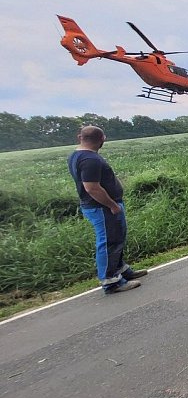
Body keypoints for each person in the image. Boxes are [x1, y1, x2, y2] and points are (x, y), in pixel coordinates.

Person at [68, 126, 146, 294]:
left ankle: (122, 270)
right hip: (102, 208)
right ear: (102, 139)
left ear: (79, 137)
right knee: (109, 242)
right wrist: (112, 205)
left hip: (101, 206)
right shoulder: (90, 159)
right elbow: (92, 188)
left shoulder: (77, 155)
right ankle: (111, 282)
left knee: (117, 238)